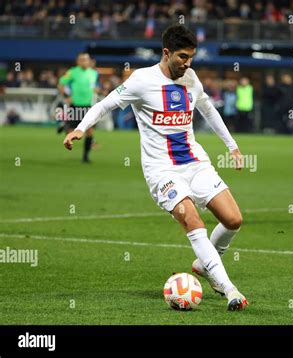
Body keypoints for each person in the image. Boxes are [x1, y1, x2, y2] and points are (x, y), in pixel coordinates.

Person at [63, 25, 248, 311]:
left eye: (191, 58)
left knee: (233, 220)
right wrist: (80, 128)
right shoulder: (141, 80)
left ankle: (206, 263)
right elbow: (105, 104)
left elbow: (208, 110)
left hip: (195, 163)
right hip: (162, 171)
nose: (187, 63)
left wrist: (232, 145)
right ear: (166, 53)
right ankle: (229, 289)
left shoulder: (191, 78)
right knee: (193, 221)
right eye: (182, 57)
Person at [58, 53, 100, 163]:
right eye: (81, 60)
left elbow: (95, 86)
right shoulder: (72, 72)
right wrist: (66, 97)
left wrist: (96, 90)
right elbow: (61, 84)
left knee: (90, 132)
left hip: (88, 106)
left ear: (89, 61)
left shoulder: (94, 73)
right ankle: (66, 126)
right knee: (72, 131)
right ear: (78, 61)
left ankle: (85, 157)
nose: (84, 62)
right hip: (75, 106)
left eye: (86, 59)